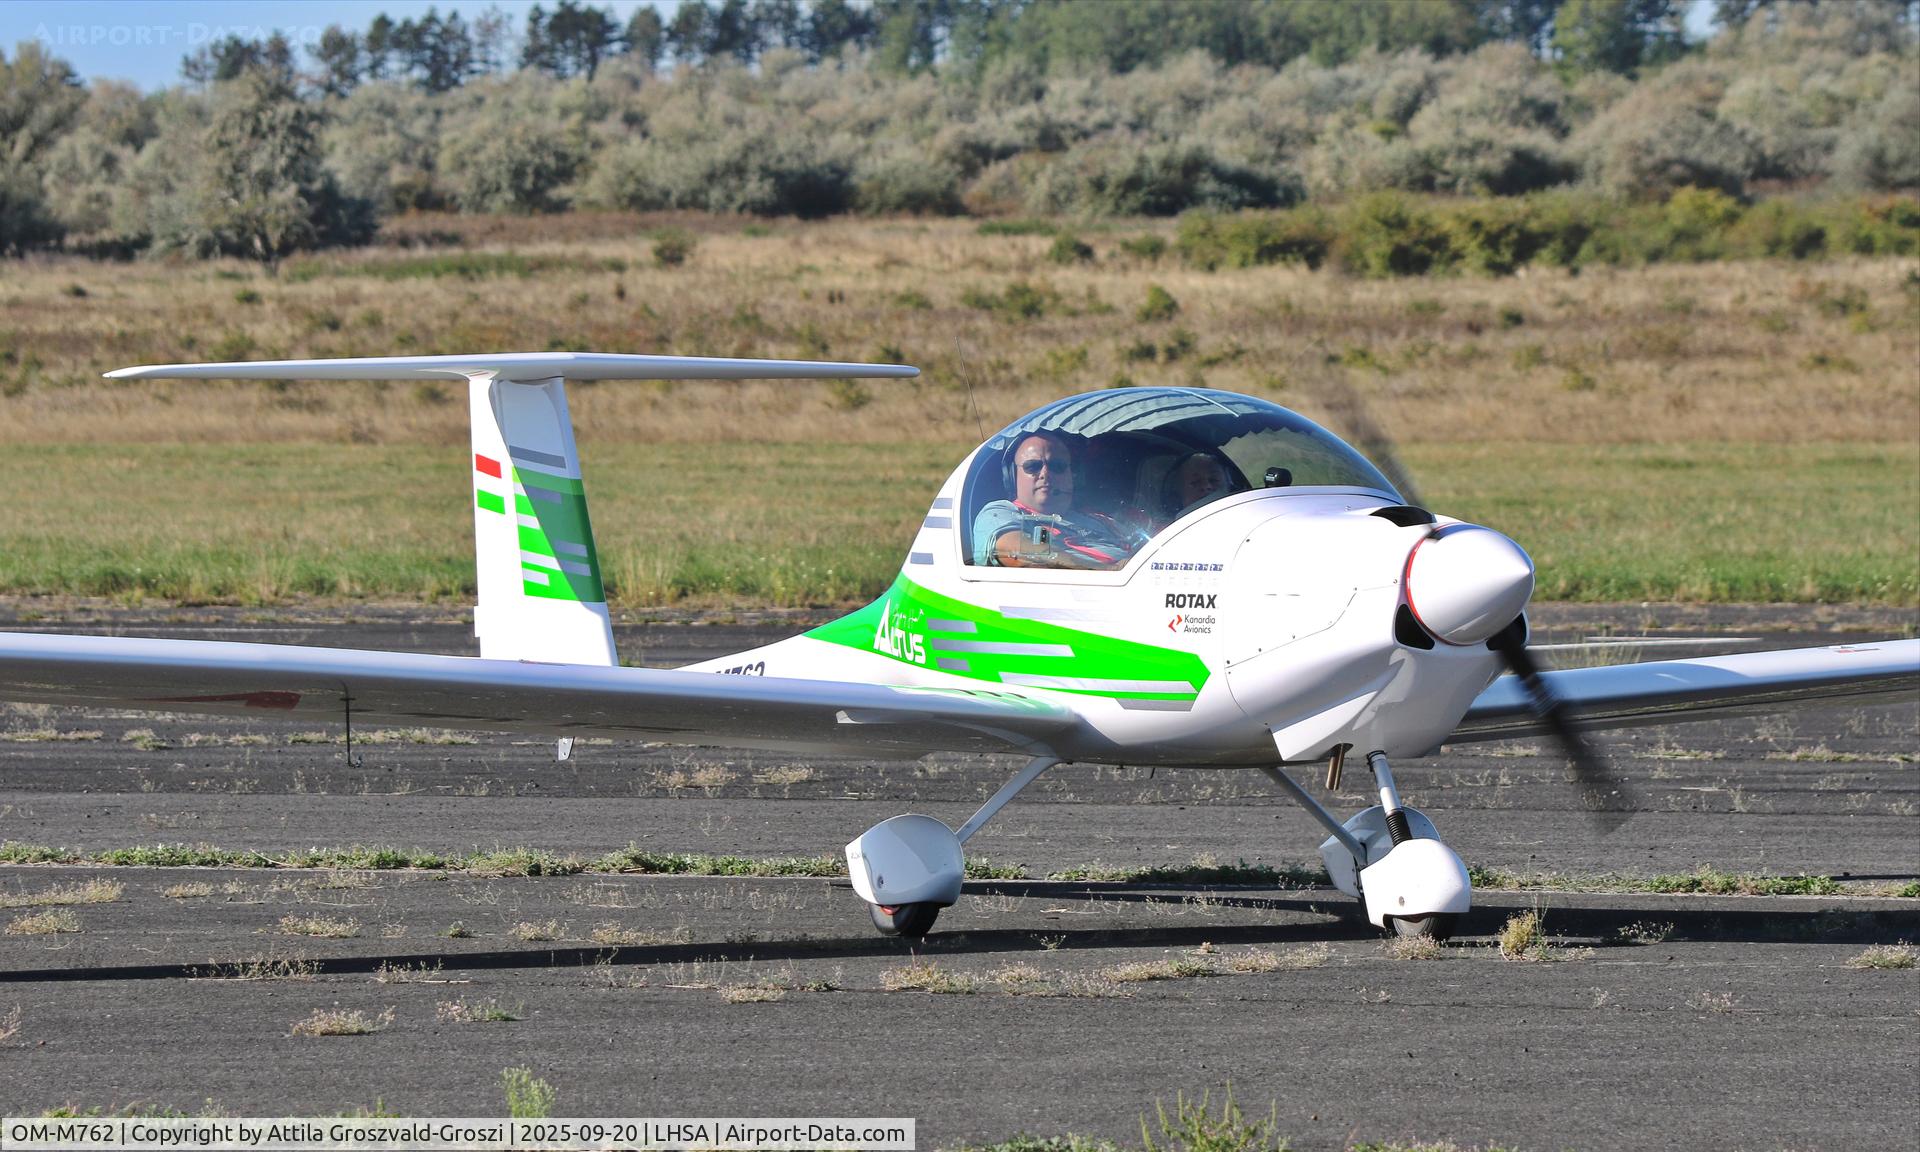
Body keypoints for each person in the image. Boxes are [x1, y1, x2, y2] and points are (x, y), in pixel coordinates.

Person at [972, 432, 1140, 568]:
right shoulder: (1000, 513)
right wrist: (1108, 571)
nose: (1045, 473)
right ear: (1012, 476)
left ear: (1071, 475)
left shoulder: (1099, 520)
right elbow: (1018, 552)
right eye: (1033, 466)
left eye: (1057, 466)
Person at [1162, 452, 1235, 522]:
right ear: (1179, 492)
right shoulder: (1171, 531)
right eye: (1195, 482)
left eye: (1214, 480)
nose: (1206, 486)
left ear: (1229, 484)